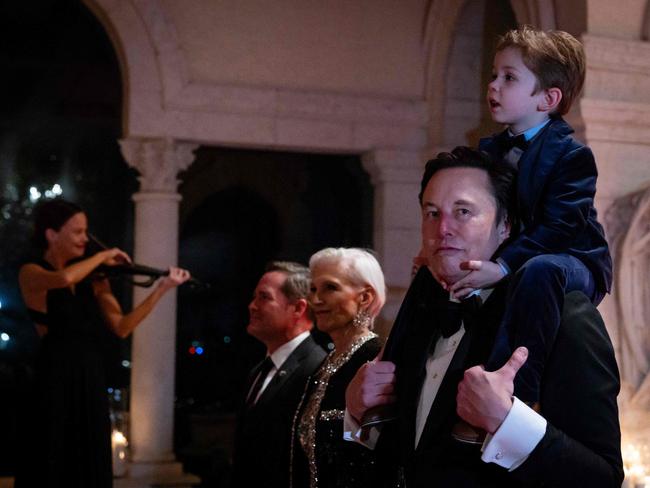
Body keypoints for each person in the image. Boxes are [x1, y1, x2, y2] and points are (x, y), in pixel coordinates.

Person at [345, 147, 623, 487]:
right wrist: (357, 415)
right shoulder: (419, 314)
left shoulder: (563, 316)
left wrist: (508, 423)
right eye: (432, 213)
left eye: (463, 211)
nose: (443, 228)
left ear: (505, 226)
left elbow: (603, 478)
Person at [441, 26, 613, 410]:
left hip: (572, 259)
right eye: (493, 75)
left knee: (540, 270)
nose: (494, 86)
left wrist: (502, 266)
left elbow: (560, 228)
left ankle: (520, 393)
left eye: (509, 77)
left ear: (548, 98)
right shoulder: (488, 151)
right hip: (518, 254)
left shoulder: (571, 155)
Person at [14, 199, 190, 488]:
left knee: (89, 458)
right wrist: (103, 255)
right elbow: (62, 278)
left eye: (86, 232)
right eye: (78, 232)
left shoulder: (95, 279)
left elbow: (122, 327)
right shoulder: (31, 271)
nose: (85, 238)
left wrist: (162, 289)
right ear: (51, 234)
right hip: (55, 375)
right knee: (52, 454)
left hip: (89, 374)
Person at [290, 248, 385, 488]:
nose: (315, 300)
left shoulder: (376, 359)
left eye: (330, 288)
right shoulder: (326, 364)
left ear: (364, 297)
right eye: (313, 289)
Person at [231, 262, 326, 488]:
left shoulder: (317, 368)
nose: (252, 306)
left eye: (264, 297)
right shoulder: (258, 371)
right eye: (254, 297)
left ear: (298, 309)